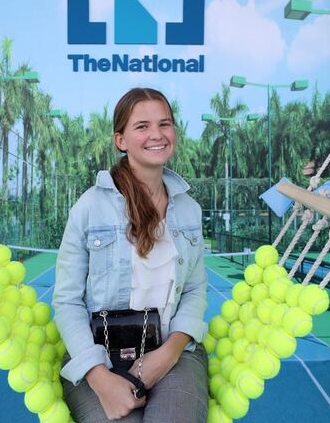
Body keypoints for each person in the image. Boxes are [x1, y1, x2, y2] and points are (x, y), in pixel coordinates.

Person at [53, 88, 209, 422]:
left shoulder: (188, 210)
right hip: (98, 357)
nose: (156, 134)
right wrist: (99, 377)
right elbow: (67, 301)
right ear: (120, 140)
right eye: (142, 126)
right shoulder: (89, 208)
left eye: (164, 124)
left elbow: (195, 291)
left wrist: (168, 354)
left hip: (174, 352)